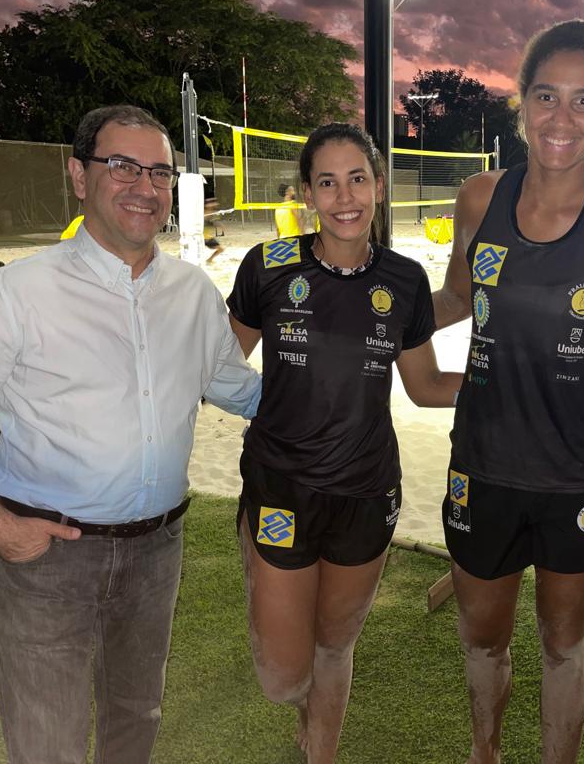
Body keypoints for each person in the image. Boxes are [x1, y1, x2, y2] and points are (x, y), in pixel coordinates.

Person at [0, 105, 261, 764]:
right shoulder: (17, 294)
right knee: (46, 739)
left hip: (157, 553)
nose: (145, 186)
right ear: (79, 177)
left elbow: (240, 389)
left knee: (136, 718)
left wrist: (337, 377)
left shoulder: (193, 294)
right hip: (46, 559)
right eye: (122, 166)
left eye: (160, 172)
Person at [431, 20, 584, 764]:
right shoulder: (480, 197)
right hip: (483, 467)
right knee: (483, 640)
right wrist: (366, 308)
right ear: (522, 102)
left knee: (564, 644)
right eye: (546, 96)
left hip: (581, 475)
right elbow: (454, 298)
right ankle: (485, 752)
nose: (561, 118)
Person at [227, 122, 462, 764]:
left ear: (379, 186)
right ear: (307, 194)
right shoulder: (269, 267)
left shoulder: (405, 280)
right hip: (281, 486)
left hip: (366, 491)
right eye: (327, 183)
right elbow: (218, 367)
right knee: (283, 679)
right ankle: (257, 559)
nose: (345, 197)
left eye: (357, 179)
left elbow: (425, 386)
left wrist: (511, 386)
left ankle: (321, 751)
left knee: (334, 648)